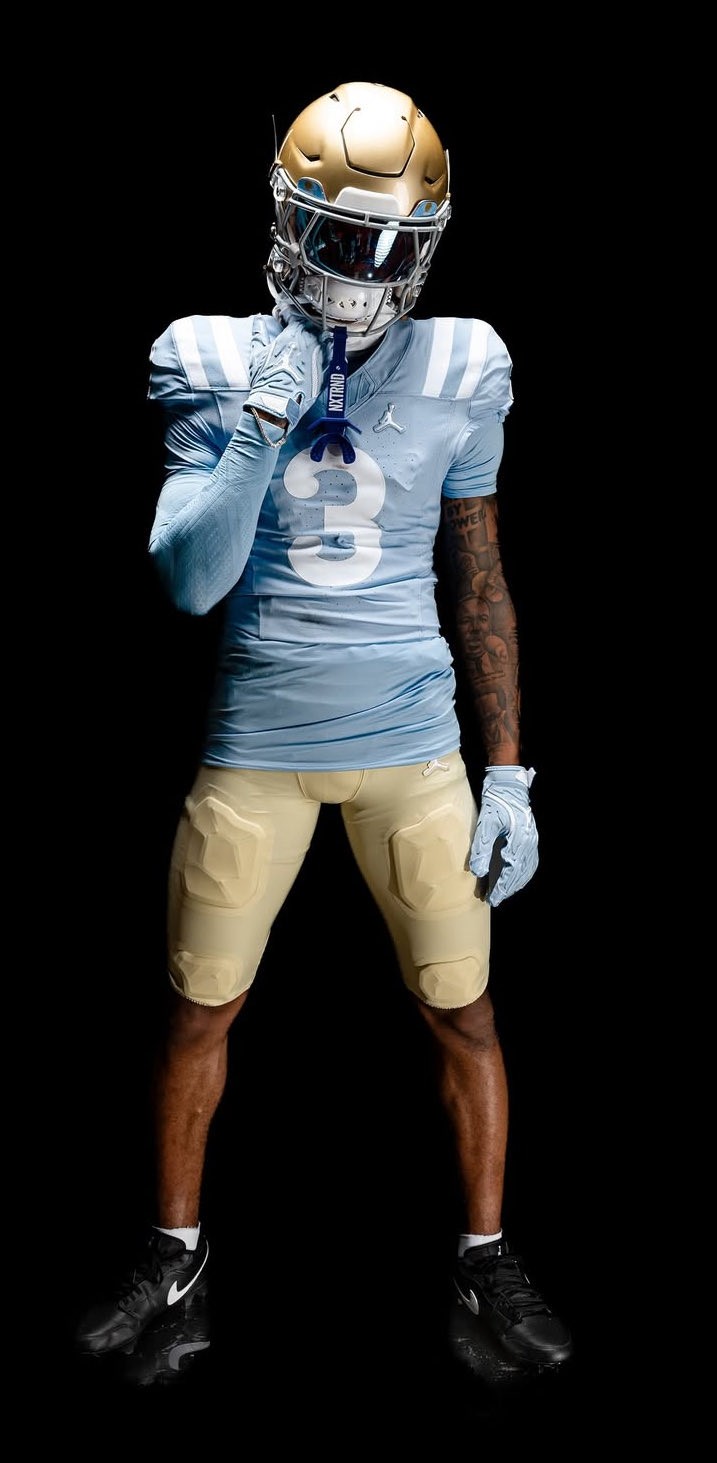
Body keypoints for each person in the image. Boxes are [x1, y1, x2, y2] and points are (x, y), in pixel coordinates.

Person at [74, 79, 573, 1373]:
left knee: (464, 1010)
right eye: (341, 237)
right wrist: (256, 427)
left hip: (414, 749)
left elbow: (478, 573)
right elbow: (187, 583)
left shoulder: (465, 362)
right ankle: (174, 1257)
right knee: (198, 1011)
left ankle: (484, 1259)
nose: (363, 273)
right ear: (286, 217)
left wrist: (509, 771)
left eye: (392, 246)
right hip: (258, 746)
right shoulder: (210, 354)